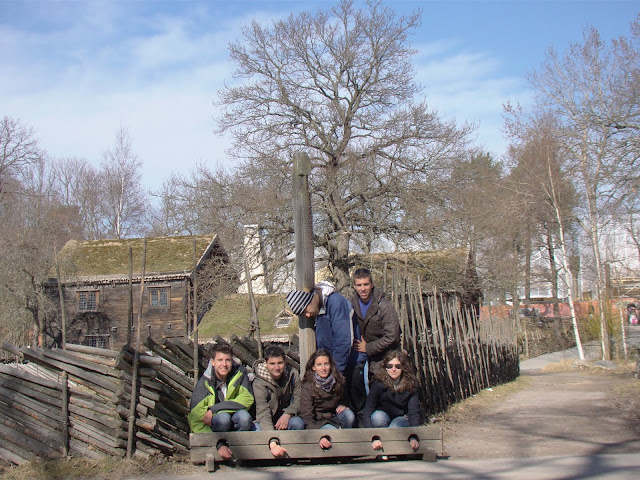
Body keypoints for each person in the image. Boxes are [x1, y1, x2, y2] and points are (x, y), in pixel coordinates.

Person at [287, 282, 367, 412]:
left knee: (357, 408)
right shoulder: (319, 309)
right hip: (335, 367)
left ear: (310, 300)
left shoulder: (335, 302)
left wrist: (336, 372)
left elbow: (343, 340)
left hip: (350, 363)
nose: (307, 315)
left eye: (305, 310)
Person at [187, 343, 255, 460]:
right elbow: (196, 420)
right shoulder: (204, 384)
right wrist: (218, 443)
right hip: (217, 432)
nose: (224, 364)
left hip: (237, 425)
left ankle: (239, 451)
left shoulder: (240, 375)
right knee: (223, 418)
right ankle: (224, 447)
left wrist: (214, 409)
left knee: (244, 417)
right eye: (220, 360)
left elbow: (247, 399)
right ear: (213, 362)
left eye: (228, 360)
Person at [359, 350, 422, 452]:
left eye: (397, 366)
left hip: (401, 418)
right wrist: (373, 437)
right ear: (385, 368)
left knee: (395, 426)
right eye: (390, 366)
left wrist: (413, 436)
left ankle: (389, 450)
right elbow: (367, 411)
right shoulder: (378, 383)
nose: (393, 369)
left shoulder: (411, 385)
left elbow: (414, 412)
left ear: (403, 368)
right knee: (377, 417)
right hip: (384, 417)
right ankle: (380, 446)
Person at [252, 344, 305, 458]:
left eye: (280, 363)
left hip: (285, 419)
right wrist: (272, 439)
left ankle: (291, 455)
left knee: (298, 423)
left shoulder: (293, 374)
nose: (277, 367)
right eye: (272, 363)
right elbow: (263, 411)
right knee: (256, 432)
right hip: (265, 420)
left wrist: (288, 414)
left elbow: (299, 399)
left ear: (285, 362)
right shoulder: (258, 382)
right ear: (266, 363)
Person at [299, 349, 355, 449]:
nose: (323, 368)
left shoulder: (338, 381)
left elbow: (345, 399)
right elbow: (306, 416)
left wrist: (343, 405)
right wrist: (317, 436)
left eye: (326, 364)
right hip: (318, 422)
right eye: (319, 365)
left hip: (334, 418)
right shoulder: (308, 386)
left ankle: (347, 443)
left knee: (349, 415)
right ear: (313, 367)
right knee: (330, 431)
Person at [350, 268, 401, 376]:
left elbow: (392, 337)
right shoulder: (352, 305)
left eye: (366, 284)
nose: (362, 289)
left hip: (388, 358)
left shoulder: (384, 306)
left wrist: (367, 348)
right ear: (354, 286)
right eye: (359, 285)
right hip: (365, 359)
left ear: (372, 284)